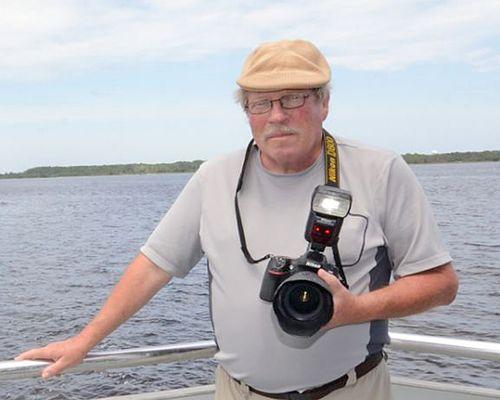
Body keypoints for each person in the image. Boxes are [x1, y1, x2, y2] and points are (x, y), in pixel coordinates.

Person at [17, 39, 459, 399]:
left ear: (324, 103)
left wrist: (355, 310)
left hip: (351, 390)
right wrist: (86, 340)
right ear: (246, 112)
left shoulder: (380, 171)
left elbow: (441, 283)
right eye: (260, 103)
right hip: (237, 393)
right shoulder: (215, 177)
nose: (278, 116)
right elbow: (155, 265)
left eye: (293, 99)